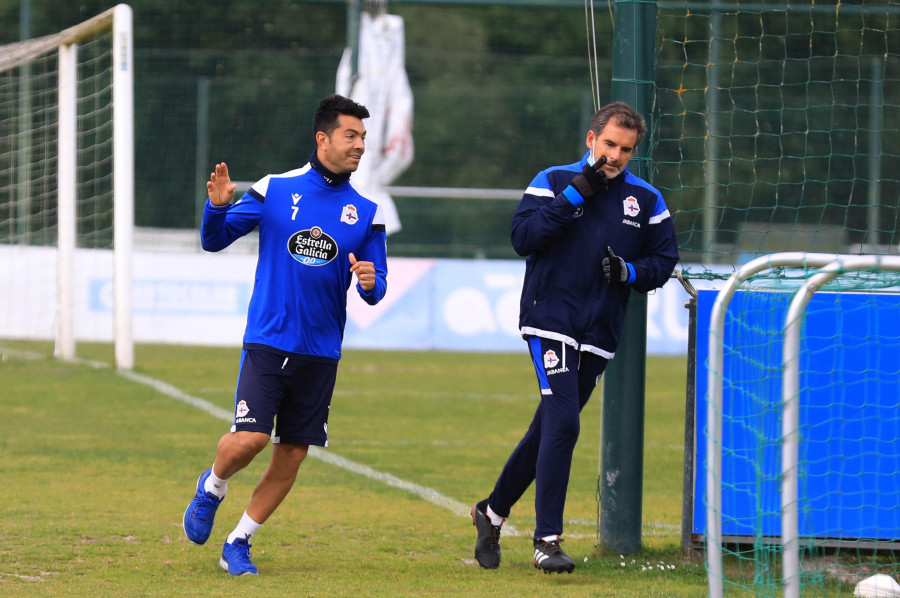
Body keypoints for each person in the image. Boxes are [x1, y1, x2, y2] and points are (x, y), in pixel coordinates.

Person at [183, 94, 387, 576]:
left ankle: (239, 542)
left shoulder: (367, 210)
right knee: (250, 440)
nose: (360, 145)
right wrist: (216, 209)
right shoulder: (276, 189)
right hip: (269, 340)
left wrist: (370, 283)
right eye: (350, 136)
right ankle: (212, 486)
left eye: (362, 137)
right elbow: (214, 241)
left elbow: (376, 289)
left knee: (291, 453)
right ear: (323, 138)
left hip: (321, 351)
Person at [470, 101, 678, 574]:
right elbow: (524, 238)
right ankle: (547, 540)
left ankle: (491, 512)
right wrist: (576, 196)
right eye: (609, 145)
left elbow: (663, 262)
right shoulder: (555, 180)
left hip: (600, 329)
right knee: (565, 422)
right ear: (591, 139)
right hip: (550, 318)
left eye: (626, 149)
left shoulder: (646, 199)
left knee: (548, 427)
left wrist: (628, 271)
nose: (616, 156)